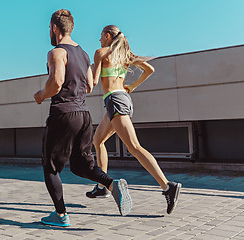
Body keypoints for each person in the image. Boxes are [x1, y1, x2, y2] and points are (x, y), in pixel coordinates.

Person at [33, 10, 132, 227]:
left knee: (50, 167)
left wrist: (41, 94)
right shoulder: (83, 53)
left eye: (49, 28)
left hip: (63, 114)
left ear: (54, 28)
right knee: (81, 166)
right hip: (84, 116)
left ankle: (60, 216)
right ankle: (112, 184)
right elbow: (89, 85)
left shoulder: (56, 53)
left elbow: (56, 82)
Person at [85, 25, 181, 215]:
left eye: (100, 37)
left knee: (134, 147)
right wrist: (132, 86)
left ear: (107, 36)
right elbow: (150, 69)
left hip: (114, 100)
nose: (99, 40)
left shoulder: (101, 53)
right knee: (98, 140)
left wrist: (84, 69)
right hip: (121, 99)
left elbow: (94, 82)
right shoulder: (125, 55)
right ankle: (103, 186)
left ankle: (167, 186)